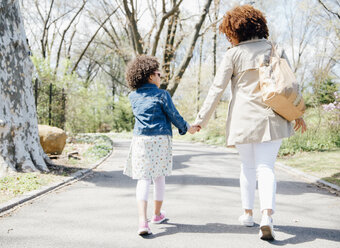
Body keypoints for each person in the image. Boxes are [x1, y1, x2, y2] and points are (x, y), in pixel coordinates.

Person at [193, 5, 307, 240]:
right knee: (266, 167)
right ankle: (267, 216)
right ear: (258, 25)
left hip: (242, 119)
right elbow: (289, 86)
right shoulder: (275, 48)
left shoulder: (233, 54)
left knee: (247, 167)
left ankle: (247, 214)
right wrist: (297, 113)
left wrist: (200, 121)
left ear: (234, 30)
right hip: (272, 116)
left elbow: (217, 90)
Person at [123, 55, 200, 236]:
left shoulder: (133, 96)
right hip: (160, 139)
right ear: (150, 76)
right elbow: (174, 115)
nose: (161, 77)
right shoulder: (162, 95)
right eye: (159, 74)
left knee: (143, 179)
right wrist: (187, 128)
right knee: (159, 177)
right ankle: (156, 214)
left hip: (140, 140)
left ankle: (143, 222)